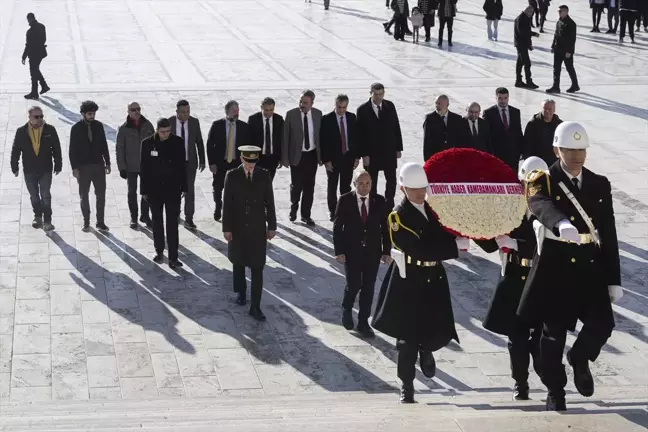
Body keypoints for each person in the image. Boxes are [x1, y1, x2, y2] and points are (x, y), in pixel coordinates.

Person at [517, 122, 623, 411]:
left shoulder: (599, 183)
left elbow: (608, 233)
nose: (576, 156)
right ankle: (556, 390)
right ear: (556, 149)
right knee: (552, 337)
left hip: (588, 264)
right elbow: (538, 203)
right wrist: (560, 222)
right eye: (569, 149)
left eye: (581, 150)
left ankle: (579, 358)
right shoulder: (543, 179)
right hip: (556, 266)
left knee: (603, 324)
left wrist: (614, 279)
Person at [372, 162, 470, 404]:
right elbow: (419, 249)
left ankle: (426, 349)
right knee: (406, 338)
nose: (419, 193)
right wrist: (453, 247)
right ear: (402, 188)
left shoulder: (435, 209)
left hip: (433, 278)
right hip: (409, 281)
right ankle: (407, 384)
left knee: (436, 326)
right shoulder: (398, 216)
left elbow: (444, 232)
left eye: (422, 188)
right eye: (414, 188)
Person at [478, 157, 547, 401]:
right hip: (515, 275)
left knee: (541, 334)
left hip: (539, 276)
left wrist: (517, 243)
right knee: (516, 336)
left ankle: (546, 373)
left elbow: (547, 244)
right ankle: (520, 382)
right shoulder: (510, 208)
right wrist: (473, 228)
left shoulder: (548, 208)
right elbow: (490, 238)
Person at [222, 146, 277, 321]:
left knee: (257, 267)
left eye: (253, 162)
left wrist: (272, 226)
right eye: (247, 161)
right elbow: (227, 204)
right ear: (241, 159)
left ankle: (255, 307)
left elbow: (270, 202)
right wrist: (227, 228)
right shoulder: (232, 176)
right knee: (238, 262)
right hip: (238, 228)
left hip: (256, 229)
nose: (250, 165)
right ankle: (241, 291)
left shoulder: (264, 175)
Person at [333, 171, 391, 338]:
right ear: (354, 183)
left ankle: (363, 322)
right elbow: (338, 228)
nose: (364, 187)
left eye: (368, 183)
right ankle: (346, 307)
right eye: (361, 183)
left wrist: (386, 251)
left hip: (372, 252)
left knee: (369, 287)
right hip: (352, 251)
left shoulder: (379, 201)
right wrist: (339, 251)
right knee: (354, 284)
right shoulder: (345, 200)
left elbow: (385, 229)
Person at [140, 118, 187, 269]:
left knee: (172, 223)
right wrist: (144, 190)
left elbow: (182, 166)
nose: (165, 135)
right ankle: (159, 251)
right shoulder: (147, 144)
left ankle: (174, 257)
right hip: (154, 190)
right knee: (157, 222)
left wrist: (184, 187)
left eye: (168, 132)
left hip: (173, 190)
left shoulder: (178, 142)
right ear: (157, 130)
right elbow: (144, 168)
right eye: (162, 132)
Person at [10, 106, 61, 231]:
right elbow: (15, 150)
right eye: (36, 117)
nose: (39, 119)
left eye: (41, 116)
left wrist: (58, 164)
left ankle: (48, 220)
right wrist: (14, 166)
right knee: (34, 195)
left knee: (45, 195)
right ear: (30, 117)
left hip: (45, 168)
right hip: (29, 169)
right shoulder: (21, 131)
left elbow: (57, 149)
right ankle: (37, 216)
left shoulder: (50, 130)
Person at [356, 83, 403, 211]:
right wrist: (363, 154)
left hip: (388, 150)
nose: (378, 97)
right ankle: (374, 204)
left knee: (391, 180)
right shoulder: (362, 110)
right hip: (372, 153)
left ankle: (389, 204)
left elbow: (396, 126)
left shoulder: (390, 106)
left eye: (381, 94)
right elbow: (360, 135)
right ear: (370, 93)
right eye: (376, 94)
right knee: (372, 181)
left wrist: (398, 148)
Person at [282, 90, 323, 226]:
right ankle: (294, 208)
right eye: (301, 101)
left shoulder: (317, 114)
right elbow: (285, 137)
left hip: (311, 155)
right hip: (296, 156)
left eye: (305, 102)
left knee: (309, 187)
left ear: (312, 103)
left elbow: (320, 136)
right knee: (296, 185)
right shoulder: (291, 114)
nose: (302, 104)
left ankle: (306, 215)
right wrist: (285, 158)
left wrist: (321, 157)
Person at [69, 100, 111, 232]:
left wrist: (108, 162)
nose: (92, 116)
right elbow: (72, 149)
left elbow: (104, 144)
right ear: (83, 114)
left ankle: (100, 221)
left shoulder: (99, 126)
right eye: (89, 114)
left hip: (98, 165)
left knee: (101, 194)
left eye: (93, 113)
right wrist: (74, 168)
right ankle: (86, 221)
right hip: (83, 167)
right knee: (84, 194)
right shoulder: (76, 128)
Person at [207, 100, 250, 222]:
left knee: (236, 188)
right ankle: (218, 206)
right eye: (234, 111)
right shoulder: (217, 125)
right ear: (227, 112)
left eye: (237, 111)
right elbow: (210, 145)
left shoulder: (243, 126)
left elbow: (247, 145)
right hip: (221, 163)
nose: (236, 114)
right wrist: (212, 163)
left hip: (236, 163)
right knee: (218, 186)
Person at [116, 102, 155, 229]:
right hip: (131, 166)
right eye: (133, 109)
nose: (136, 111)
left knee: (147, 191)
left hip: (146, 166)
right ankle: (133, 217)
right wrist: (122, 167)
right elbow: (119, 149)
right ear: (128, 111)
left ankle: (145, 215)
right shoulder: (123, 129)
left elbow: (155, 145)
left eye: (138, 109)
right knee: (131, 192)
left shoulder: (148, 125)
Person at [320, 94, 359, 221]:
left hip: (347, 158)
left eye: (344, 107)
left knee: (345, 186)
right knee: (332, 186)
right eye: (339, 107)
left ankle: (345, 209)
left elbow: (355, 138)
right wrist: (326, 160)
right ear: (335, 104)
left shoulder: (352, 117)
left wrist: (356, 157)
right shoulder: (327, 119)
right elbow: (323, 141)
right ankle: (333, 211)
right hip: (333, 159)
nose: (341, 110)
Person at [169, 100, 205, 230]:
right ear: (177, 112)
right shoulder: (170, 122)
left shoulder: (194, 122)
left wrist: (202, 159)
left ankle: (189, 218)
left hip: (190, 162)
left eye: (188, 111)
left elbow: (199, 141)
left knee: (189, 190)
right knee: (175, 190)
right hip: (174, 164)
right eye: (183, 112)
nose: (186, 114)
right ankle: (176, 213)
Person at [482, 87, 525, 172]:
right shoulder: (488, 113)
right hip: (497, 155)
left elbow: (518, 132)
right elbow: (487, 135)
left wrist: (521, 150)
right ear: (496, 98)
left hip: (513, 155)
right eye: (500, 98)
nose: (503, 101)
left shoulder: (515, 112)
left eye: (505, 98)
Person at [248, 97, 284, 181]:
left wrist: (281, 158)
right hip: (258, 158)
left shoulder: (279, 120)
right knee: (257, 184)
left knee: (268, 184)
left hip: (272, 158)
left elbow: (282, 139)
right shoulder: (253, 119)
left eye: (271, 110)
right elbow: (249, 140)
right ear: (261, 108)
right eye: (266, 110)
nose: (268, 113)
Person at [547, 5, 579, 94]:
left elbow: (572, 39)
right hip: (558, 49)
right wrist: (553, 45)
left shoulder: (571, 24)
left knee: (569, 68)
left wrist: (569, 51)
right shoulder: (559, 21)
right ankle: (556, 86)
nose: (559, 13)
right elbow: (556, 34)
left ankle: (575, 85)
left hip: (566, 50)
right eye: (558, 11)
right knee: (556, 69)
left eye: (560, 11)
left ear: (566, 11)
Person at [422, 94, 463, 160]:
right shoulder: (430, 118)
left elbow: (460, 139)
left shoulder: (457, 118)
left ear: (447, 104)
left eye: (439, 103)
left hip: (453, 156)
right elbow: (427, 140)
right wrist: (427, 159)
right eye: (436, 103)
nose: (437, 106)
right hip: (436, 157)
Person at [523, 99, 563, 166]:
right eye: (545, 108)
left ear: (554, 110)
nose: (547, 111)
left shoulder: (559, 125)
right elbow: (527, 144)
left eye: (550, 109)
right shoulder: (533, 123)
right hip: (536, 162)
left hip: (553, 163)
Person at [22, 13, 49, 100]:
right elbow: (44, 39)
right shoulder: (42, 26)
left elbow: (28, 45)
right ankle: (43, 86)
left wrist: (24, 56)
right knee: (35, 70)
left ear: (29, 19)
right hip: (41, 53)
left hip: (33, 54)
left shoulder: (29, 32)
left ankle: (35, 92)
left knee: (33, 73)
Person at [514, 6, 540, 90]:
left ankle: (518, 81)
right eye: (531, 13)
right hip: (521, 44)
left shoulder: (523, 18)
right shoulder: (521, 19)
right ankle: (529, 81)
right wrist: (533, 34)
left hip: (521, 44)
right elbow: (523, 33)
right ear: (527, 11)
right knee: (527, 63)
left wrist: (529, 44)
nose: (531, 14)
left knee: (520, 63)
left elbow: (525, 33)